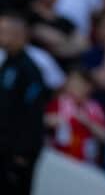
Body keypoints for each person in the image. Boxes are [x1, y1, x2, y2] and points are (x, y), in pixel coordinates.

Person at [0, 11, 48, 195]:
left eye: (4, 31)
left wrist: (23, 152)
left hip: (17, 152)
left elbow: (33, 114)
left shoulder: (29, 71)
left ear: (18, 34)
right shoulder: (8, 63)